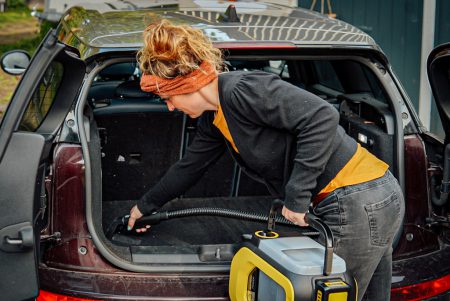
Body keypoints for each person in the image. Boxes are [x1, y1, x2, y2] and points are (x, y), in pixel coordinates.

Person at [127, 19, 404, 301]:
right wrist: (145, 206)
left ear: (188, 84)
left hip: (356, 200)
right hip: (370, 197)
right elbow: (190, 166)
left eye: (169, 97)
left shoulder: (240, 90)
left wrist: (296, 197)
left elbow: (321, 116)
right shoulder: (214, 119)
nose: (171, 107)